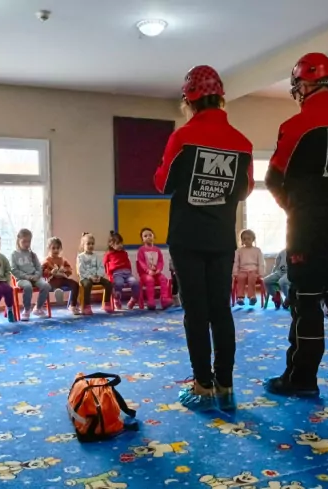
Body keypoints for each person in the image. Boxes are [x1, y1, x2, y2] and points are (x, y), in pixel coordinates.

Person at [264, 52, 328, 396]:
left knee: (306, 302)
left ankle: (302, 379)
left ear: (305, 84)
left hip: (307, 230)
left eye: (297, 85)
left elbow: (274, 179)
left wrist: (292, 209)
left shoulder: (296, 126)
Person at [153, 65, 254, 411]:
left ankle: (202, 384)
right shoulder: (242, 142)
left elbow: (162, 183)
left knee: (196, 313)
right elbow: (245, 191)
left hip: (187, 238)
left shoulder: (181, 137)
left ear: (188, 100)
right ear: (221, 98)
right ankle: (225, 383)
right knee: (220, 311)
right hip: (222, 238)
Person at [11, 228, 51, 320]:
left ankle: (38, 308)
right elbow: (13, 270)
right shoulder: (14, 254)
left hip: (34, 277)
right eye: (24, 241)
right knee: (27, 286)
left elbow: (39, 267)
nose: (26, 244)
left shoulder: (32, 254)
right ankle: (26, 310)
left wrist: (37, 275)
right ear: (18, 240)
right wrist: (26, 276)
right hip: (22, 279)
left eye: (28, 242)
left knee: (46, 285)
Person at [76, 232, 114, 315]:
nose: (90, 246)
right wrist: (90, 277)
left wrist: (99, 276)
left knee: (108, 283)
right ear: (83, 245)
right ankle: (87, 305)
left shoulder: (96, 256)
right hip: (85, 278)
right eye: (88, 244)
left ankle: (107, 303)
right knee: (87, 284)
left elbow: (101, 267)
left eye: (92, 244)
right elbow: (81, 270)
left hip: (97, 277)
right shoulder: (80, 257)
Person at [136, 227, 172, 310]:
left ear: (153, 236)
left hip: (156, 273)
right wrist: (148, 271)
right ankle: (151, 301)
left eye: (150, 235)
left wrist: (159, 269)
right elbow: (141, 263)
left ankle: (164, 299)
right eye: (145, 236)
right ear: (142, 239)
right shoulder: (141, 250)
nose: (148, 237)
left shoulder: (157, 250)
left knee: (163, 279)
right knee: (150, 280)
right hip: (145, 274)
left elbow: (160, 261)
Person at [42, 237, 80, 315]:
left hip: (63, 279)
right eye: (53, 248)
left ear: (60, 249)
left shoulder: (62, 260)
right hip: (52, 280)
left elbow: (69, 269)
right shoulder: (46, 260)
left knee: (75, 284)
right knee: (51, 284)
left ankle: (72, 305)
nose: (56, 250)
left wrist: (65, 270)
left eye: (58, 248)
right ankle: (58, 292)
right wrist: (50, 272)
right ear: (48, 249)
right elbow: (42, 272)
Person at [104, 231, 140, 310]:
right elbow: (105, 265)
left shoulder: (124, 253)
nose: (120, 245)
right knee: (119, 283)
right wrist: (110, 276)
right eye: (117, 243)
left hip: (127, 273)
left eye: (121, 243)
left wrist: (130, 272)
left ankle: (133, 299)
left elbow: (128, 263)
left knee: (135, 283)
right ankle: (116, 299)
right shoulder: (108, 254)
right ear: (111, 244)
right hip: (117, 274)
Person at [233, 229, 265, 306]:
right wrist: (235, 272)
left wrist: (261, 273)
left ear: (253, 239)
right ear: (242, 240)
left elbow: (261, 262)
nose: (246, 241)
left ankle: (252, 296)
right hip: (242, 270)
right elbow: (236, 262)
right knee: (240, 278)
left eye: (249, 239)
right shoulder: (239, 251)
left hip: (253, 270)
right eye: (244, 239)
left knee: (251, 277)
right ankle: (240, 297)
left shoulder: (257, 250)